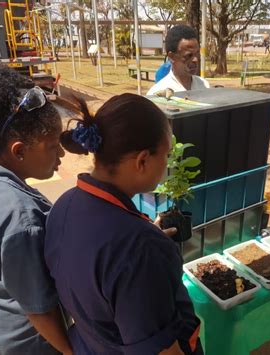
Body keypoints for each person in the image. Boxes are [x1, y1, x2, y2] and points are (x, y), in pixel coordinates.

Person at [44, 94, 203, 354]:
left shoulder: (64, 206)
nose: (166, 164)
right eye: (166, 155)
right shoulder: (140, 249)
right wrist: (145, 246)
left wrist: (141, 234)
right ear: (142, 161)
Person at [0, 65, 71, 354]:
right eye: (53, 146)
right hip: (31, 345)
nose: (62, 154)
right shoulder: (20, 218)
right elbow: (39, 310)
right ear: (19, 151)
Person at [147, 25, 210, 95]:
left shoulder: (204, 85)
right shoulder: (157, 93)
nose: (195, 60)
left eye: (197, 54)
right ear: (171, 57)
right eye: (189, 55)